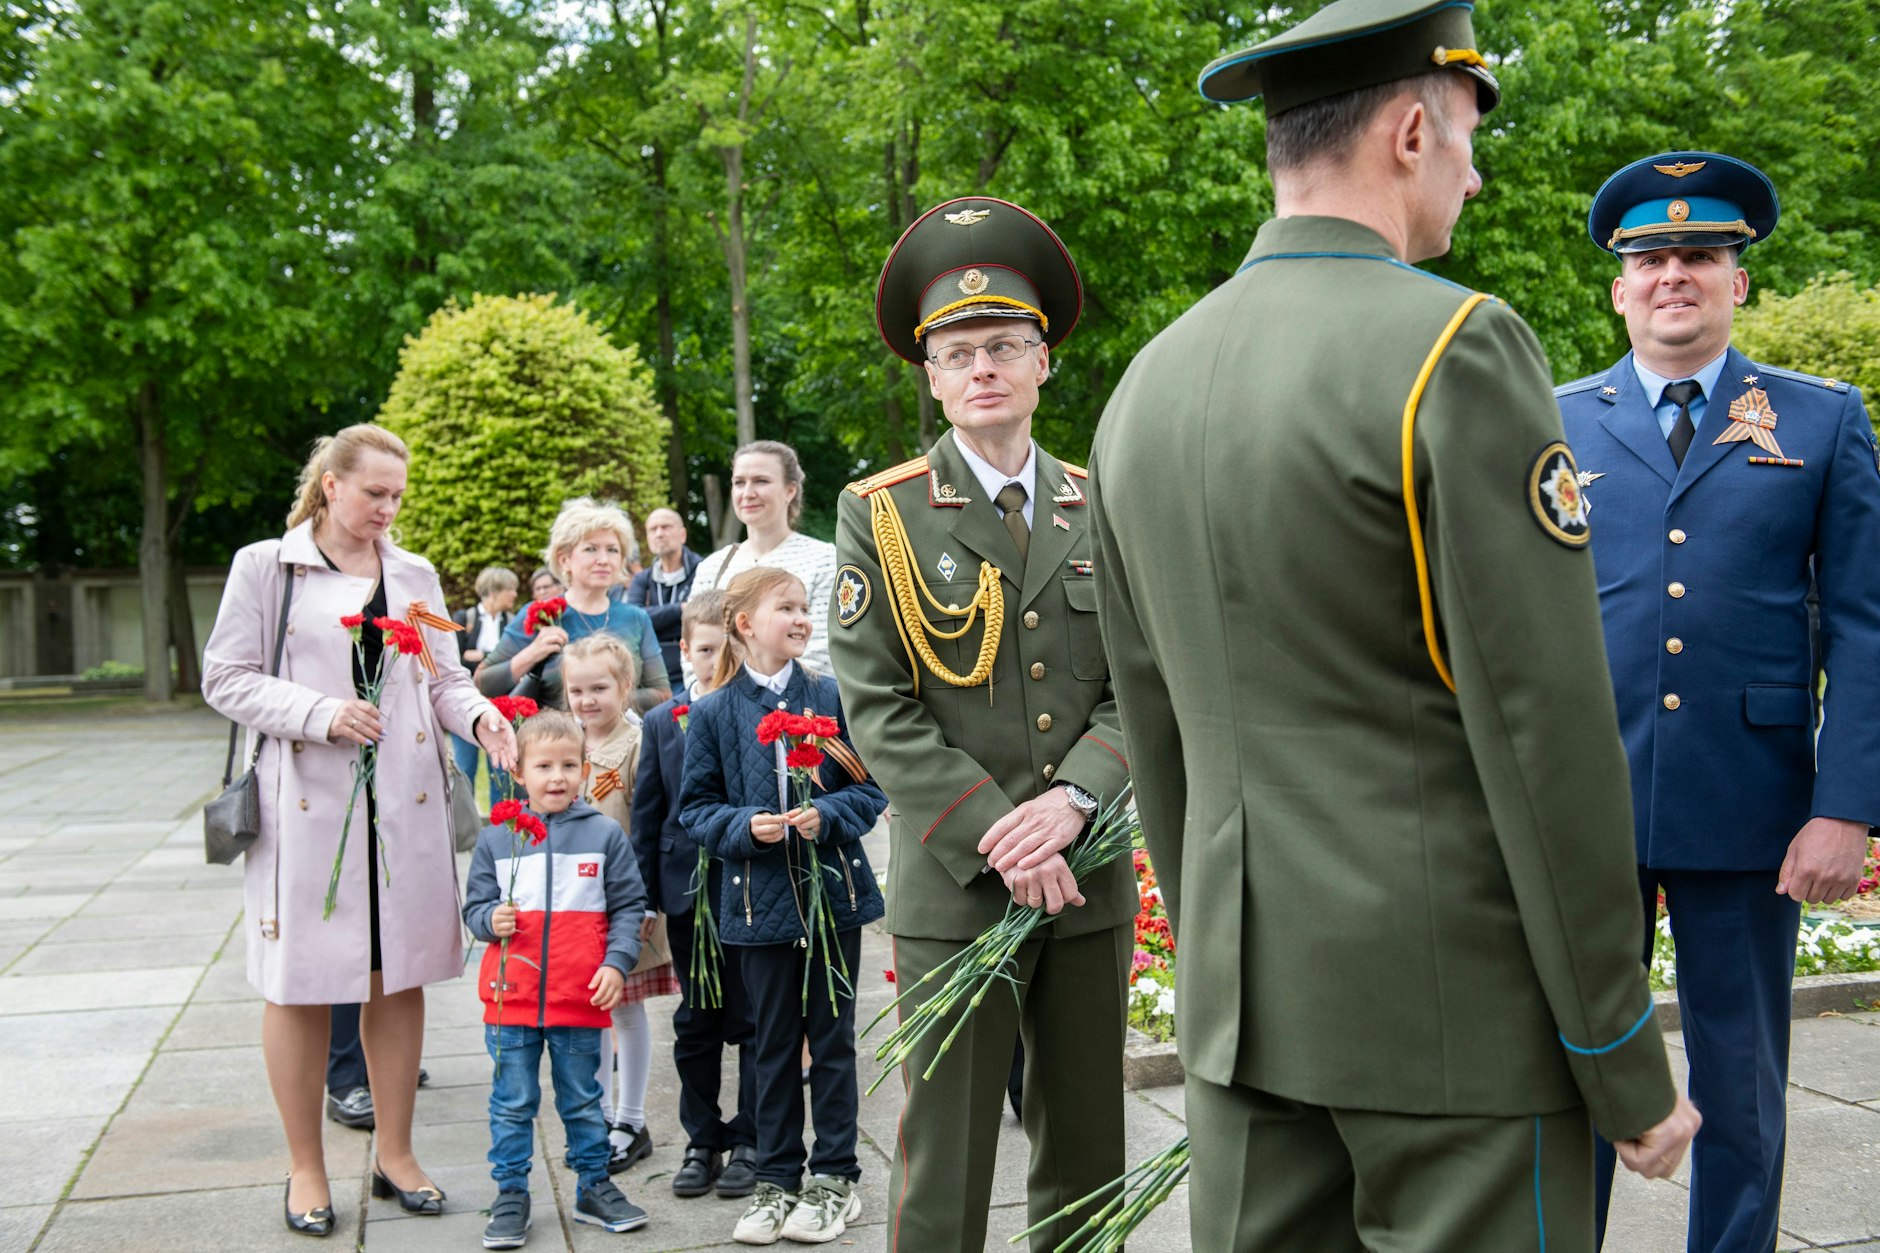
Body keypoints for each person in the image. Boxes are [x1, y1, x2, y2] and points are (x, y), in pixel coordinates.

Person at [1086, 3, 1701, 1248]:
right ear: (1410, 132)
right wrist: (1616, 1050)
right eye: (1466, 139)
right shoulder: (1455, 346)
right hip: (1452, 1023)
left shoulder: (1142, 386)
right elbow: (1543, 735)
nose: (1472, 176)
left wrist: (1216, 974)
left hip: (1245, 1015)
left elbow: (1158, 738)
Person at [1555, 151, 1880, 1253]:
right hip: (1587, 802)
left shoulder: (1820, 420)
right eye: (1651, 259)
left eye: (1698, 255)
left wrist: (1845, 805)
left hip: (1751, 809)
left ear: (1738, 279)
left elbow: (1864, 624)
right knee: (1575, 1075)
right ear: (1618, 288)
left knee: (1739, 1084)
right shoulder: (1550, 421)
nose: (1673, 275)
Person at [828, 196, 1133, 1252]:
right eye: (957, 353)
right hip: (957, 884)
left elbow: (1141, 681)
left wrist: (1075, 800)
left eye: (1003, 344)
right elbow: (877, 705)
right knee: (945, 1160)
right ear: (932, 376)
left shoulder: (1102, 502)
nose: (983, 368)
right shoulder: (881, 511)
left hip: (1086, 877)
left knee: (1089, 1156)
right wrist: (1002, 834)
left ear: (1042, 360)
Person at [201, 423, 519, 1237]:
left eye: (397, 495)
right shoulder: (266, 566)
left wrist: (483, 719)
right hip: (308, 807)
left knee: (398, 975)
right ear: (331, 484)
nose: (387, 508)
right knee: (300, 983)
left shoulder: (413, 573)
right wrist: (322, 712)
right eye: (375, 492)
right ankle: (306, 1167)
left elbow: (444, 680)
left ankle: (397, 1154)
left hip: (404, 802)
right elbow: (225, 677)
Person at [679, 568, 887, 1246]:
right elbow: (696, 809)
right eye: (787, 607)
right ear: (745, 624)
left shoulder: (830, 697)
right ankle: (775, 1180)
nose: (802, 618)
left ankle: (835, 1177)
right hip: (756, 906)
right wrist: (745, 826)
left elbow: (870, 791)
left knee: (832, 1040)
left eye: (805, 608)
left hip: (832, 898)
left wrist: (826, 814)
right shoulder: (712, 712)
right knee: (769, 1047)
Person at [464, 709, 653, 1246]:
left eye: (569, 765)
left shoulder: (604, 834)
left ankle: (594, 1185)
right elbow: (474, 907)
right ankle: (511, 1193)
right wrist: (489, 920)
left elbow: (629, 906)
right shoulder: (497, 838)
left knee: (584, 1101)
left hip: (578, 998)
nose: (557, 777)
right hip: (512, 1000)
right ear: (518, 772)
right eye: (543, 766)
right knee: (512, 1102)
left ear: (584, 769)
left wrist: (615, 963)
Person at [631, 591, 763, 1201]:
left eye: (726, 650)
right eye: (704, 650)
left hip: (747, 888)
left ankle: (752, 1137)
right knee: (697, 1019)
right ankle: (701, 1139)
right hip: (685, 892)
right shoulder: (663, 721)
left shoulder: (754, 713)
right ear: (684, 649)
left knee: (755, 1016)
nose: (715, 662)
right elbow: (648, 813)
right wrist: (645, 900)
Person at [563, 633, 682, 1175]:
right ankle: (600, 1116)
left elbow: (650, 825)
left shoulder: (638, 744)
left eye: (599, 689)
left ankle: (630, 1121)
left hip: (623, 902)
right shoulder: (566, 744)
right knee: (589, 1012)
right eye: (576, 690)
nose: (586, 700)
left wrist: (645, 904)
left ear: (626, 686)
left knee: (624, 1011)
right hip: (574, 903)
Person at [475, 498, 671, 713]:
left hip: (623, 734)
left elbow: (662, 695)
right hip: (553, 733)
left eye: (613, 550)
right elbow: (483, 683)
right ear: (564, 559)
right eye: (591, 549)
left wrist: (604, 699)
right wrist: (532, 653)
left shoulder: (636, 618)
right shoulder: (541, 615)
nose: (604, 559)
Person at [687, 443, 837, 681]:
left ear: (790, 490)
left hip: (799, 701)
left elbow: (823, 655)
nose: (747, 493)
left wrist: (760, 696)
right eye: (739, 482)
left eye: (761, 481)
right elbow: (693, 652)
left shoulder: (823, 559)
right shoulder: (712, 568)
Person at [454, 566, 519, 808]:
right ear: (493, 591)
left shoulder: (511, 622)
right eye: (510, 589)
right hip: (467, 703)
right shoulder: (465, 619)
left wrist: (481, 655)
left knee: (501, 769)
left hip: (501, 704)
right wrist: (494, 659)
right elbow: (454, 660)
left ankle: (499, 822)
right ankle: (465, 824)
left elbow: (515, 660)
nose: (514, 594)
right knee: (465, 767)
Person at [627, 507, 702, 686]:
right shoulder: (642, 579)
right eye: (653, 529)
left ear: (682, 535)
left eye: (666, 527)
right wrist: (680, 610)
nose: (659, 533)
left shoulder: (703, 569)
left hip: (694, 668)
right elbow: (633, 620)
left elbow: (701, 618)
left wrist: (653, 622)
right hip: (652, 671)